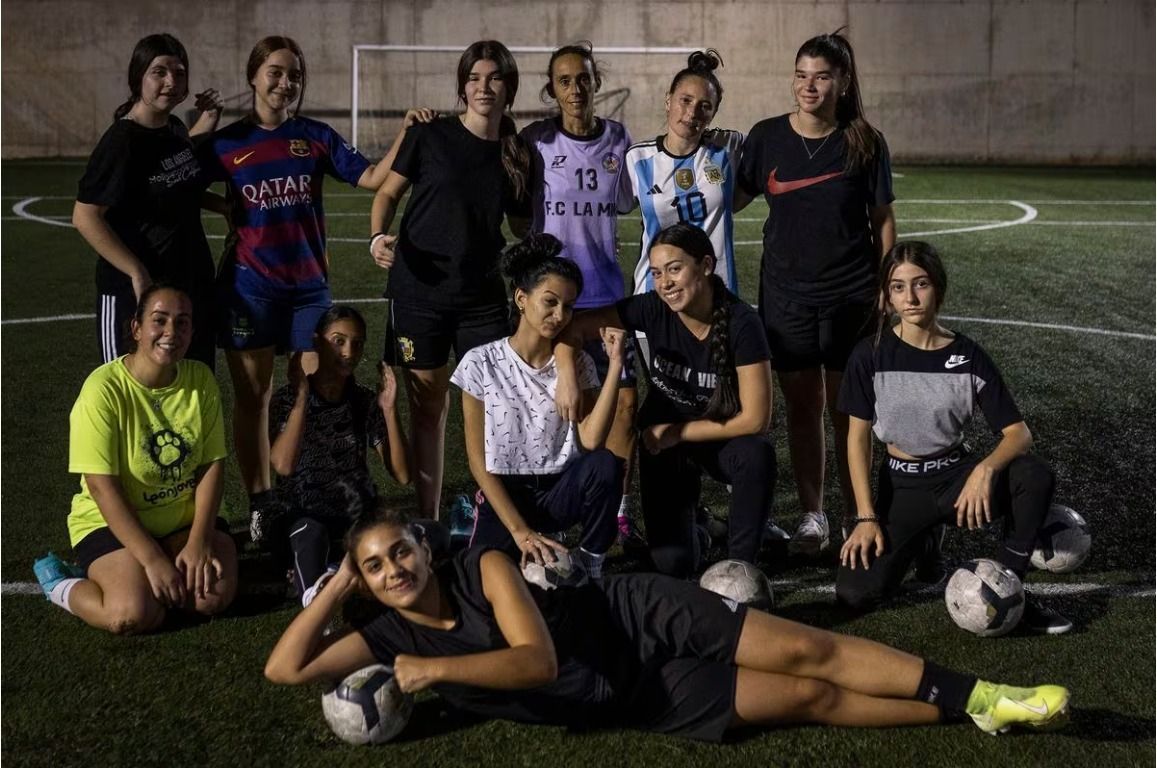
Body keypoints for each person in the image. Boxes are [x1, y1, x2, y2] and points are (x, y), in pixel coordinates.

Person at [264, 505, 1072, 740]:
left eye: (398, 553)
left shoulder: (483, 568)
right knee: (805, 702)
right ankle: (970, 714)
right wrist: (335, 590)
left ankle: (984, 691)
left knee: (808, 648)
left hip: (636, 615)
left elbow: (535, 661)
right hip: (628, 699)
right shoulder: (386, 635)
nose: (392, 572)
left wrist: (435, 673)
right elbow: (286, 672)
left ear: (422, 548)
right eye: (374, 567)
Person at [200, 36, 396, 545]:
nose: (284, 82)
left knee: (314, 391)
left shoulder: (314, 137)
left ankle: (312, 495)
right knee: (255, 399)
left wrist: (408, 136)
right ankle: (263, 501)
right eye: (275, 72)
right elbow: (176, 180)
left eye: (293, 75)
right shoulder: (226, 143)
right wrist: (220, 205)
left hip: (309, 291)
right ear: (254, 76)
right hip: (251, 288)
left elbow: (374, 176)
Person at [836, 242, 1073, 635]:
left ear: (938, 289)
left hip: (955, 479)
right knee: (854, 595)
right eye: (898, 287)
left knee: (1033, 475)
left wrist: (984, 469)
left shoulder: (967, 356)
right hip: (902, 485)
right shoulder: (870, 355)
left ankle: (1013, 590)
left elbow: (1019, 434)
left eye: (920, 284)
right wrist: (865, 516)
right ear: (886, 295)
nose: (910, 297)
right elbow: (856, 439)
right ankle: (925, 540)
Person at [738, 30, 897, 558]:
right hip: (786, 296)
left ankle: (859, 514)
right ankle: (814, 516)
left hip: (852, 294)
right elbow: (727, 197)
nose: (809, 86)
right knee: (803, 409)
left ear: (843, 82)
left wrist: (887, 286)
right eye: (801, 75)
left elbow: (882, 221)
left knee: (848, 411)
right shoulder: (765, 138)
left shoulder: (865, 141)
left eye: (821, 76)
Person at [369, 40, 531, 521]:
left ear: (509, 87)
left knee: (492, 408)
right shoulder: (430, 134)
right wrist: (378, 235)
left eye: (494, 78)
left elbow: (522, 227)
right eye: (474, 78)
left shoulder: (516, 152)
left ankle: (494, 512)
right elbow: (388, 193)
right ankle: (429, 517)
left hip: (481, 297)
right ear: (462, 86)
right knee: (427, 407)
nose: (484, 87)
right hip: (419, 292)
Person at [557, 223, 775, 578]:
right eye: (657, 273)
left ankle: (741, 566)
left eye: (675, 269)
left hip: (718, 437)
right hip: (665, 445)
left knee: (757, 454)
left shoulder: (742, 323)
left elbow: (755, 419)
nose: (665, 283)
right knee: (673, 565)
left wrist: (677, 432)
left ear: (705, 265)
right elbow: (574, 328)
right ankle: (701, 531)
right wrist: (567, 372)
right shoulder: (652, 307)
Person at [34, 285, 237, 634]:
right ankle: (60, 585)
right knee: (131, 615)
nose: (171, 332)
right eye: (159, 320)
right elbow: (101, 486)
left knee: (210, 599)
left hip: (181, 522)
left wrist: (198, 541)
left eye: (182, 323)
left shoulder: (200, 380)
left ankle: (147, 571)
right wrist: (153, 559)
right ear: (136, 328)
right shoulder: (103, 390)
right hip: (112, 523)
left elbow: (211, 466)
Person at [518, 42, 639, 542]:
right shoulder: (535, 141)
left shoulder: (618, 139)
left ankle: (620, 510)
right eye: (564, 80)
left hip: (605, 291)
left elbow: (631, 202)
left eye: (583, 78)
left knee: (624, 403)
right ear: (552, 88)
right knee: (563, 409)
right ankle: (560, 507)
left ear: (596, 82)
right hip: (554, 298)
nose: (575, 88)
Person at [450, 234, 625, 579]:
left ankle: (591, 563)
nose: (560, 315)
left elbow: (591, 442)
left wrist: (616, 365)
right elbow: (478, 462)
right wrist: (519, 531)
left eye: (569, 306)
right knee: (479, 580)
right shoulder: (480, 363)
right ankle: (469, 527)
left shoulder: (579, 365)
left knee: (607, 464)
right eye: (550, 301)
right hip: (506, 495)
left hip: (560, 491)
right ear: (521, 298)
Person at [73, 33, 226, 368]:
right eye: (159, 72)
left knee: (189, 389)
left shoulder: (172, 128)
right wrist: (136, 272)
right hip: (136, 292)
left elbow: (178, 179)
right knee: (131, 396)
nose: (171, 81)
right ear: (138, 77)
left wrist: (226, 207)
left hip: (186, 284)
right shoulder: (121, 142)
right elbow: (85, 217)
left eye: (180, 72)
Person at [267, 306, 411, 606]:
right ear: (317, 341)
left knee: (427, 535)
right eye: (338, 340)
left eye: (357, 343)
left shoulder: (364, 400)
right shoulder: (286, 399)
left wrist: (388, 409)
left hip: (356, 516)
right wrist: (303, 399)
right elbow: (282, 465)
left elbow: (402, 473)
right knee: (310, 534)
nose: (348, 351)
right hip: (305, 518)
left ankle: (336, 570)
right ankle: (318, 597)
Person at [618, 50, 748, 299]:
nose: (692, 113)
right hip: (655, 292)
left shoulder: (728, 146)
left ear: (713, 114)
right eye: (685, 100)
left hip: (716, 291)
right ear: (668, 100)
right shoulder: (637, 159)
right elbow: (613, 208)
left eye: (705, 106)